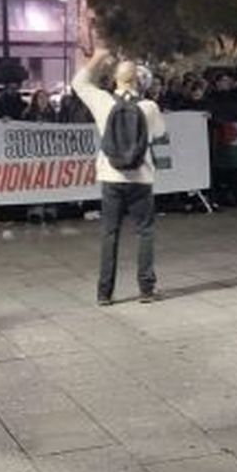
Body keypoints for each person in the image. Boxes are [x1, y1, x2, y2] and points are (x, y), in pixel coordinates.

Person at [72, 49, 167, 306]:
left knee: (109, 234)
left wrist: (98, 57)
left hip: (111, 176)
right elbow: (159, 133)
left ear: (115, 79)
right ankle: (146, 289)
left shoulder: (103, 102)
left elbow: (78, 83)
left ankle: (104, 293)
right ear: (137, 80)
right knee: (145, 232)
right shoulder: (149, 107)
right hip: (141, 177)